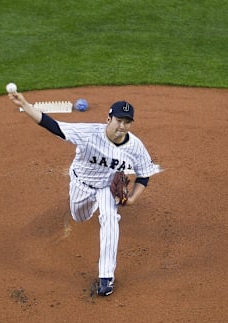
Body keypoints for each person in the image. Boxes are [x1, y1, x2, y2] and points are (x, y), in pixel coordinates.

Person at [8, 91, 160, 296]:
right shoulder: (89, 133)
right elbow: (53, 126)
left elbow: (144, 175)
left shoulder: (135, 147)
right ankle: (91, 206)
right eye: (118, 120)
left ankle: (106, 277)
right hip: (81, 184)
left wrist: (132, 198)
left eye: (127, 122)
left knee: (110, 218)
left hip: (107, 188)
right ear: (108, 118)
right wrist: (25, 105)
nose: (122, 126)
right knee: (80, 216)